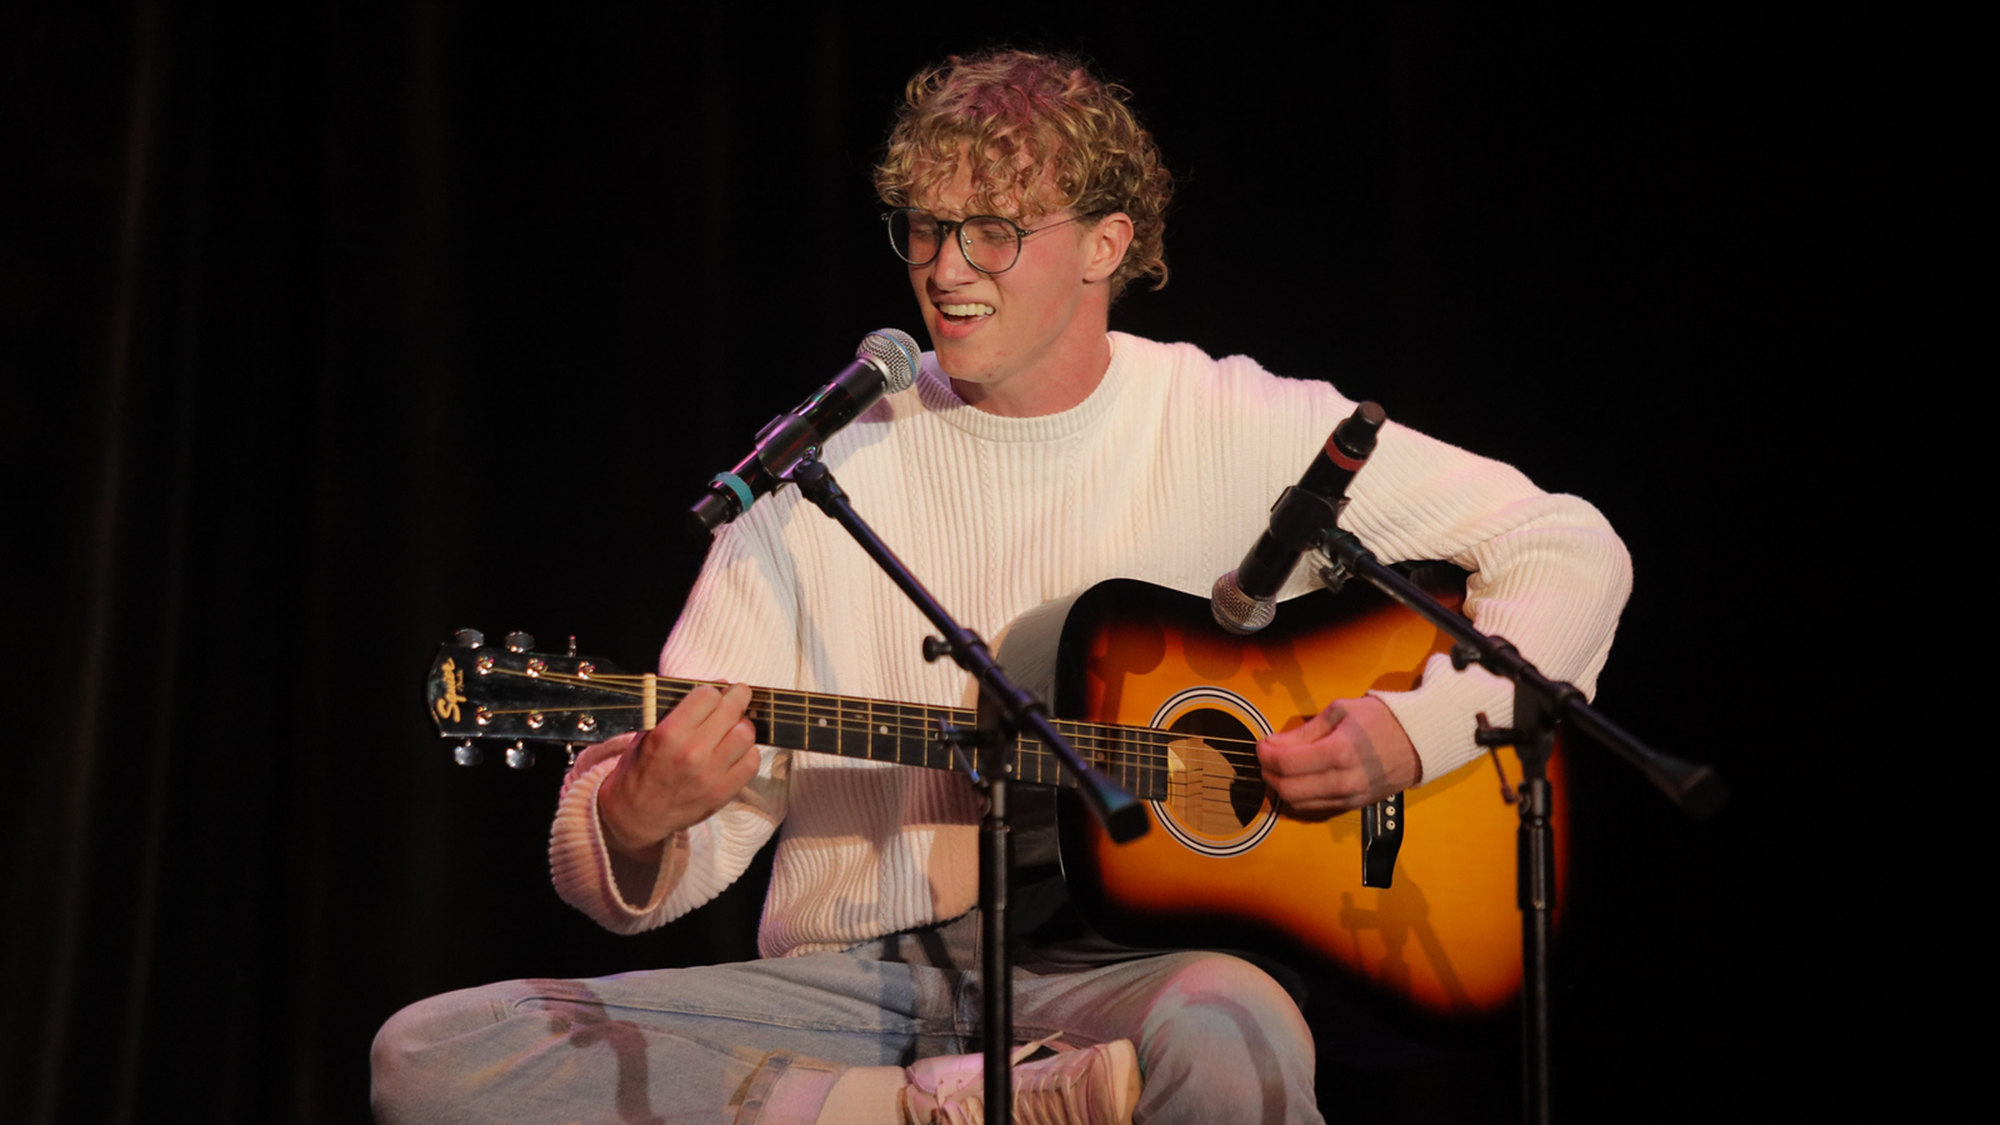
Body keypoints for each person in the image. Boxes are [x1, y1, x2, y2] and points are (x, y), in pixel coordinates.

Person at [372, 48, 1630, 1125]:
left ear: (1106, 245)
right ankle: (950, 1106)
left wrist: (1403, 737)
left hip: (1123, 974)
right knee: (433, 1058)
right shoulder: (822, 478)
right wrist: (643, 813)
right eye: (920, 228)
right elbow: (658, 851)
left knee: (1236, 1021)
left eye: (990, 231)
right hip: (863, 983)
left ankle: (982, 1087)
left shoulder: (1234, 421)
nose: (943, 267)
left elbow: (1567, 547)